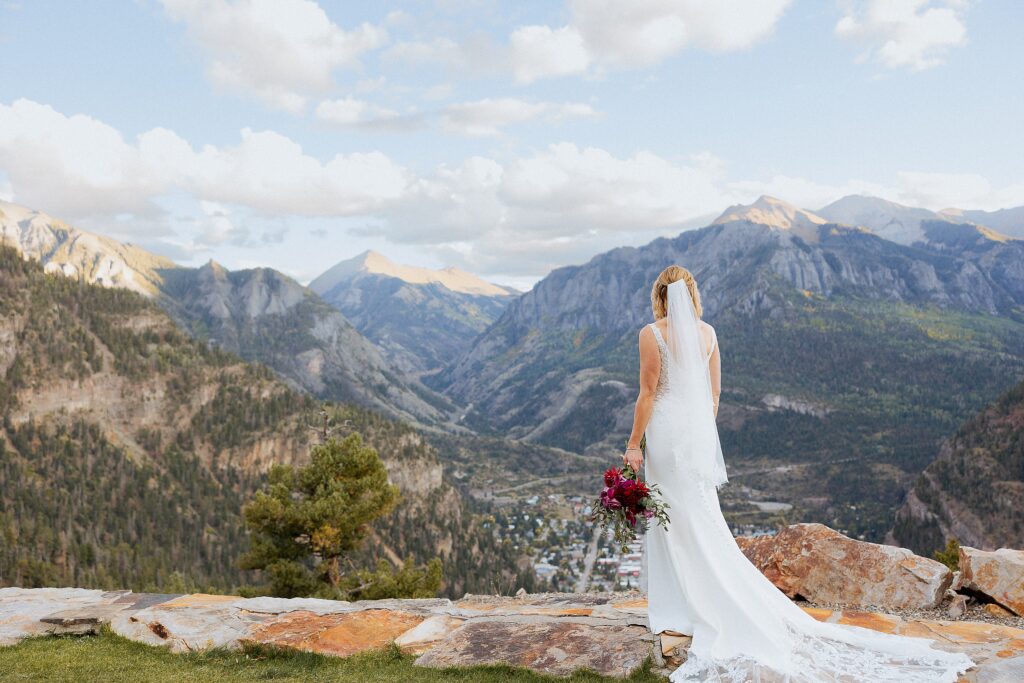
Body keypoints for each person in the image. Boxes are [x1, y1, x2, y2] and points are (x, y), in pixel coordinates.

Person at [623, 265, 973, 682]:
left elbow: (647, 392)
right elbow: (714, 396)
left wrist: (632, 444)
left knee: (672, 517)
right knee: (700, 516)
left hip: (665, 432)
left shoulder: (652, 333)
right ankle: (708, 598)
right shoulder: (709, 334)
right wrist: (697, 431)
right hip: (694, 436)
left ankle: (681, 607)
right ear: (692, 294)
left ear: (660, 295)